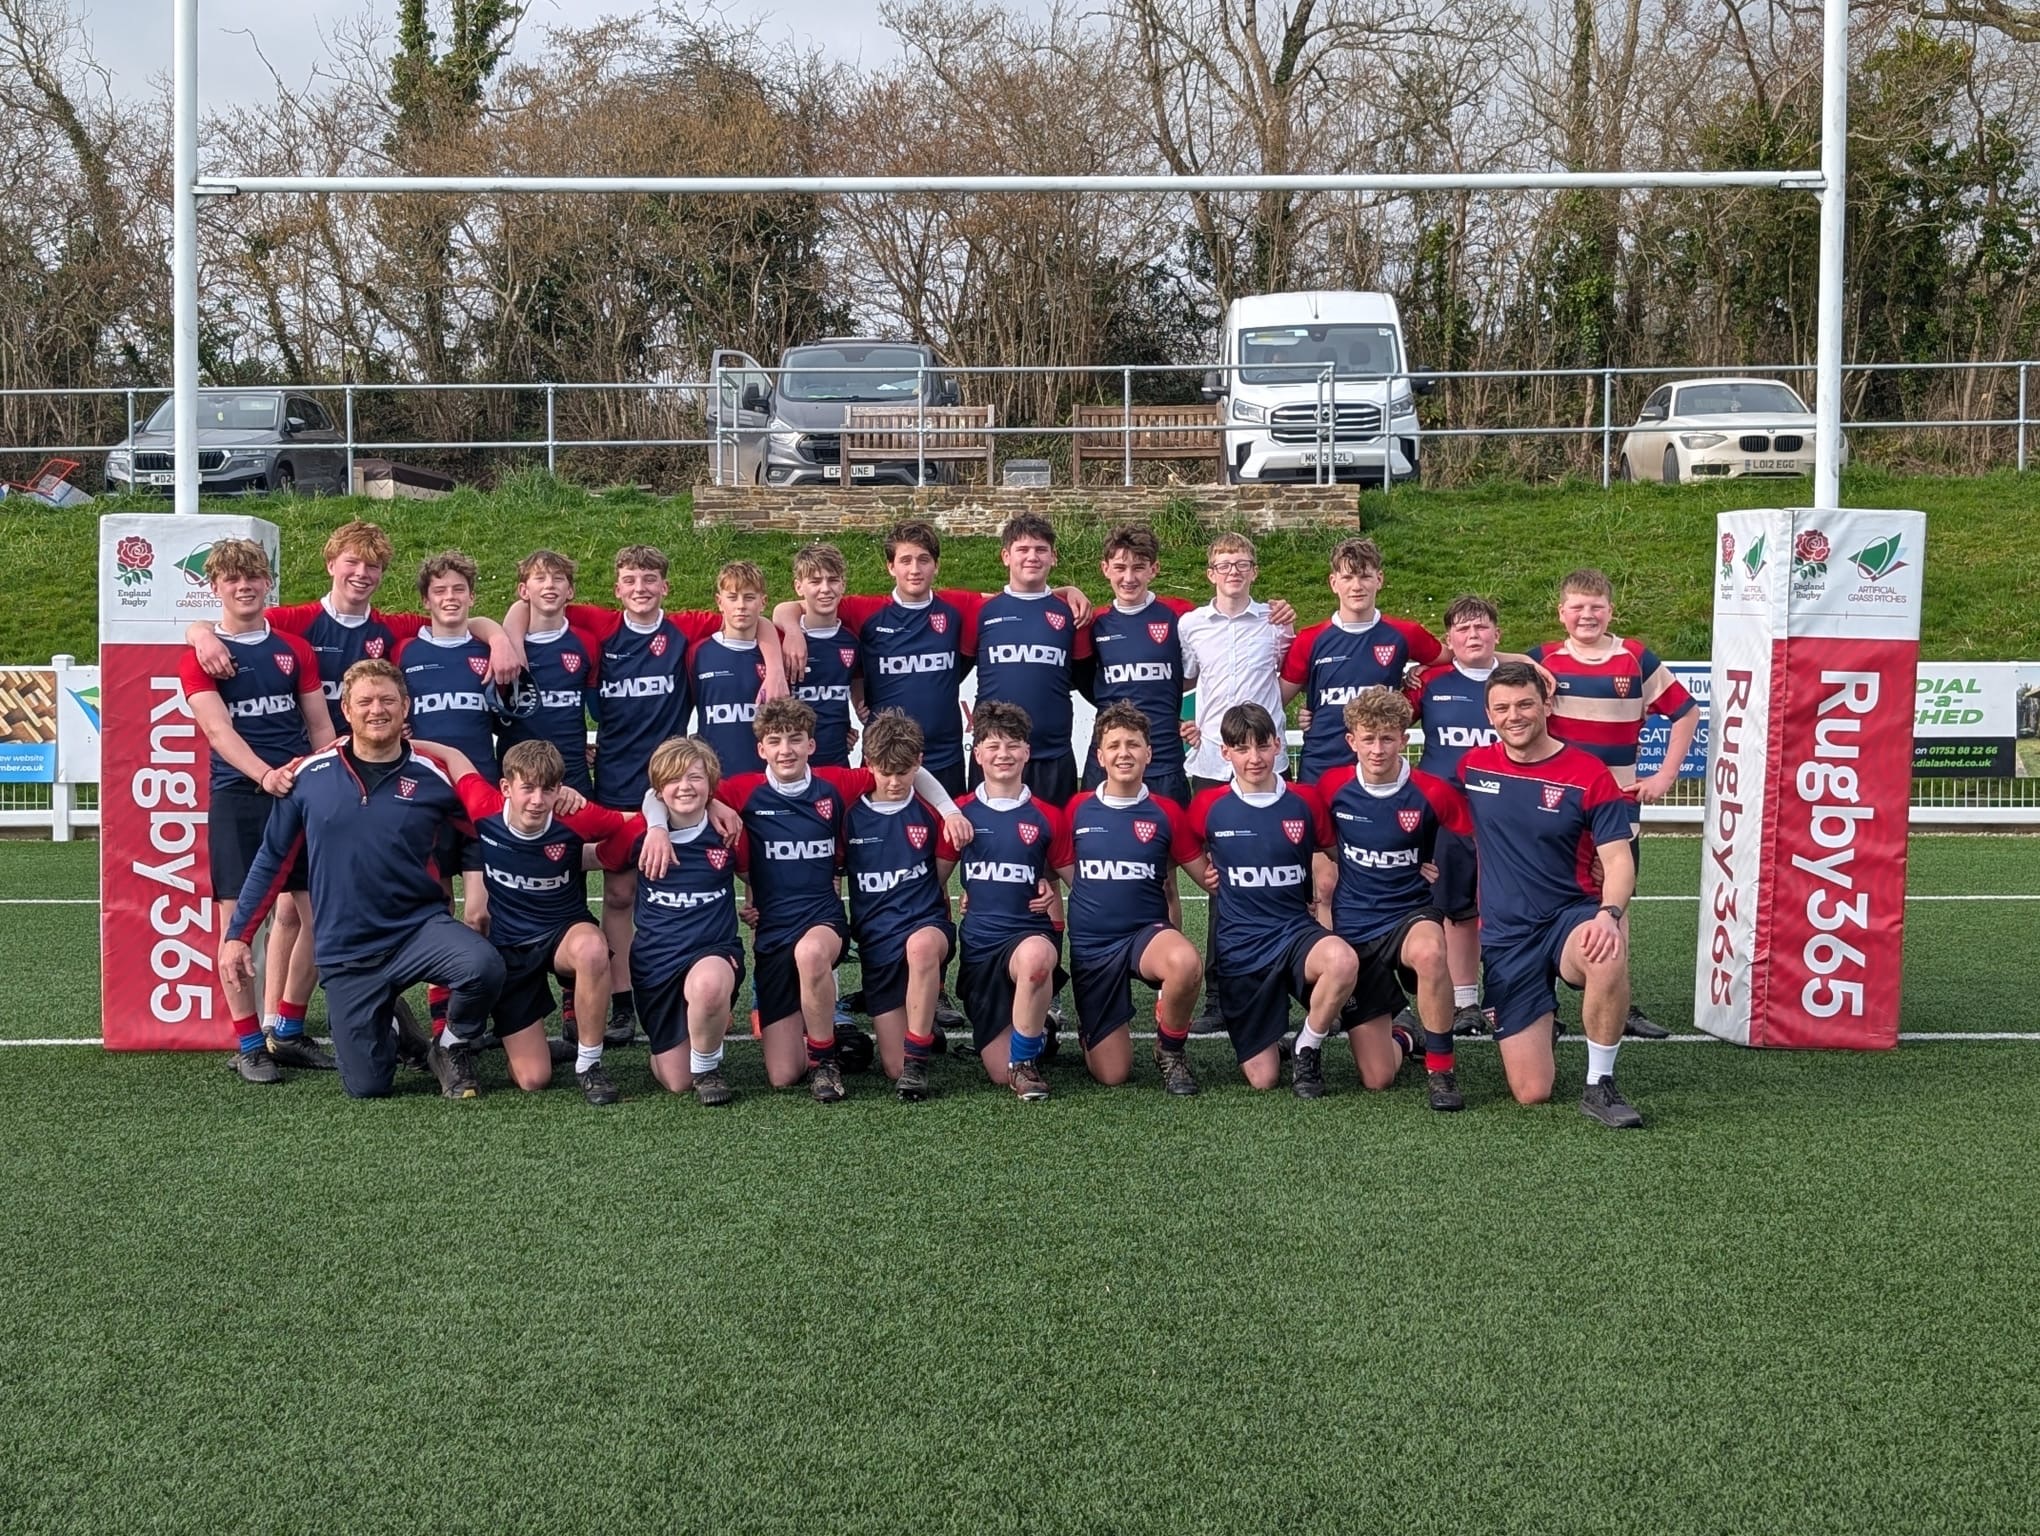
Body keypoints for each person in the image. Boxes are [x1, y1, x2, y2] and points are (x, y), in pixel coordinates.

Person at [184, 519, 519, 1037]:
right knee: (288, 913)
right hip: (304, 779)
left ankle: (322, 1018)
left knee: (333, 907)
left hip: (371, 778)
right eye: (352, 563)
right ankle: (271, 1028)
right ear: (331, 565)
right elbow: (235, 619)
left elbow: (454, 618)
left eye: (373, 566)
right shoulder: (296, 622)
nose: (361, 573)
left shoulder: (390, 631)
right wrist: (199, 632)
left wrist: (498, 636)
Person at [506, 543, 788, 1046]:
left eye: (650, 579)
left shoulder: (685, 629)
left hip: (679, 785)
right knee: (620, 893)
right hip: (617, 783)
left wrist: (777, 667)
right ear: (617, 588)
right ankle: (621, 1003)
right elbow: (527, 605)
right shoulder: (598, 628)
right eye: (631, 580)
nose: (641, 588)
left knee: (699, 885)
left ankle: (716, 988)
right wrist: (507, 639)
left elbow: (756, 617)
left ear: (665, 587)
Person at [638, 696, 970, 1102]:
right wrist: (659, 826)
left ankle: (825, 1062)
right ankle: (822, 1033)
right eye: (774, 741)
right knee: (782, 1075)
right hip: (773, 934)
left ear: (811, 744)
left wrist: (950, 810)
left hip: (823, 921)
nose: (786, 750)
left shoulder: (835, 783)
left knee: (812, 954)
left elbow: (903, 767)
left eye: (795, 739)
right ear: (761, 748)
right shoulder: (742, 791)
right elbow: (662, 792)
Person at [220, 659, 507, 1101]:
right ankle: (395, 1024)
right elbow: (272, 859)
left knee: (482, 966)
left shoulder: (434, 775)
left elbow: (494, 831)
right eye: (365, 701)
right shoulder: (305, 777)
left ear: (405, 707)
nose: (377, 710)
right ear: (346, 710)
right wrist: (238, 936)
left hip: (418, 929)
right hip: (347, 947)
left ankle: (449, 1046)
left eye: (388, 700)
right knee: (368, 1086)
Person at [1455, 662, 1643, 1128]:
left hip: (1569, 919)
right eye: (1501, 708)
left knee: (1606, 950)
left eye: (1524, 704)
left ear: (1546, 705)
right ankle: (1544, 1019)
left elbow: (1619, 861)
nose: (1513, 716)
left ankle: (1600, 1083)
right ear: (1488, 716)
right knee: (1532, 1091)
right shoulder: (1472, 767)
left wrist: (1609, 913)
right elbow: (1426, 810)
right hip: (1507, 936)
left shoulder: (1588, 773)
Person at [178, 537, 335, 1082]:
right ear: (215, 587)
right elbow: (218, 731)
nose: (244, 586)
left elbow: (319, 726)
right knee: (238, 926)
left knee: (322, 916)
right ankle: (248, 1044)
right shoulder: (199, 656)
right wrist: (264, 775)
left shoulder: (295, 649)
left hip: (298, 795)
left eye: (253, 577)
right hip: (240, 798)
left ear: (268, 583)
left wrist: (326, 779)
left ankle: (287, 1030)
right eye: (232, 579)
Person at [1528, 569, 1699, 1039]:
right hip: (1555, 805)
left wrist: (1665, 775)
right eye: (1577, 607)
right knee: (1544, 897)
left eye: (1596, 607)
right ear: (1561, 612)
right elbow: (1488, 663)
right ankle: (1540, 1003)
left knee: (1615, 902)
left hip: (1617, 806)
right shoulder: (1542, 659)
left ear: (1611, 611)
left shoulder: (1635, 658)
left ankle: (1619, 1001)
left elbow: (1687, 712)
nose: (1587, 615)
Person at [426, 738, 637, 1106]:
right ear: (506, 787)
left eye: (548, 789)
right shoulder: (484, 806)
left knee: (592, 949)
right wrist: (401, 741)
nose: (538, 800)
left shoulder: (576, 815)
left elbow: (636, 822)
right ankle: (527, 1044)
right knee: (533, 1079)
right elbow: (453, 756)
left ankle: (589, 1063)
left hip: (563, 934)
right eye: (528, 788)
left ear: (560, 789)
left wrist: (606, 854)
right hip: (510, 948)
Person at [1181, 703, 1362, 1095]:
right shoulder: (1208, 806)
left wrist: (1415, 865)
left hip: (1295, 933)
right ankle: (1271, 1037)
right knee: (1263, 1080)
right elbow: (1179, 847)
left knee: (1343, 960)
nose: (1254, 758)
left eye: (1262, 746)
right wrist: (1204, 875)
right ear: (1225, 752)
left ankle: (1307, 1046)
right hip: (1241, 947)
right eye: (1242, 748)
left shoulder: (1305, 801)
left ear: (1277, 745)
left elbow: (1345, 856)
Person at [1313, 689, 1474, 1110]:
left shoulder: (1433, 792)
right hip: (1354, 923)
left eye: (1387, 738)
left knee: (1430, 952)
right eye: (1368, 739)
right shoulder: (1332, 787)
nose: (1377, 749)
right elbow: (1311, 837)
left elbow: (1478, 838)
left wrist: (1438, 864)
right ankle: (1405, 1036)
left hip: (1409, 912)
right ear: (1351, 741)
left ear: (1404, 738)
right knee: (1377, 1077)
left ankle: (1441, 1070)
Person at [1054, 702, 1205, 1094]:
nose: (1124, 753)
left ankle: (1170, 1050)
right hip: (1094, 946)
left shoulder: (1167, 812)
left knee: (1186, 962)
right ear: (1100, 756)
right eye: (1115, 745)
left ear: (1148, 753)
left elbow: (1207, 876)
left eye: (1133, 744)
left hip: (1145, 934)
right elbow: (1049, 865)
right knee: (1113, 1074)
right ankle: (1091, 1027)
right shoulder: (1076, 809)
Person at [935, 700, 1066, 1102]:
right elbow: (933, 882)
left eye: (1012, 745)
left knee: (1037, 958)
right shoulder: (960, 814)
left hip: (1028, 935)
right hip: (981, 948)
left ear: (1027, 751)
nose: (1003, 754)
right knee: (996, 1072)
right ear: (977, 754)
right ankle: (1039, 1027)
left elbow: (1080, 882)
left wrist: (1051, 891)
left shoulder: (1048, 816)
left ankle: (1025, 1063)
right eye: (993, 746)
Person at [841, 711, 958, 1102]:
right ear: (869, 764)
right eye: (885, 772)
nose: (894, 782)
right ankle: (920, 1025)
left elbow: (941, 874)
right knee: (892, 1066)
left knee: (921, 947)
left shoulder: (933, 811)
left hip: (925, 928)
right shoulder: (849, 815)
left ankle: (917, 1065)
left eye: (904, 772)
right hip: (878, 946)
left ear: (919, 763)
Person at [1406, 595, 1505, 1037]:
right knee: (1457, 910)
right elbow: (1384, 719)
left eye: (1481, 627)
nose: (1473, 635)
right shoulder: (1428, 681)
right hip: (1447, 817)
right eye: (1463, 629)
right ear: (1449, 639)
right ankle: (1465, 1001)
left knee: (1508, 909)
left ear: (1497, 634)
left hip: (1506, 814)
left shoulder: (1521, 681)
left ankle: (1510, 996)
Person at [631, 736, 749, 1106]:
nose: (685, 787)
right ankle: (693, 1031)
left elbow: (758, 873)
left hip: (713, 951)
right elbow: (590, 855)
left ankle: (707, 1068)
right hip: (657, 963)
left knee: (710, 985)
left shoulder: (729, 830)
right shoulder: (637, 832)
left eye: (695, 777)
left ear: (711, 785)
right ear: (658, 788)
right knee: (676, 1082)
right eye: (674, 779)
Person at [1280, 537, 1442, 782]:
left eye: (1365, 576)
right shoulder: (1310, 639)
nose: (1356, 586)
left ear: (1379, 579)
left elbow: (1461, 659)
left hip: (1378, 766)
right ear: (1333, 583)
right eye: (1347, 577)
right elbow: (1275, 699)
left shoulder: (1405, 633)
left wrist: (1423, 669)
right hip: (1321, 765)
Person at [969, 513, 1091, 804]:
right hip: (995, 755)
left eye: (1041, 550)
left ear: (1053, 557)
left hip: (1053, 755)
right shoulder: (980, 610)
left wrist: (1069, 591)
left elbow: (1086, 679)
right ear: (1006, 556)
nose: (1032, 557)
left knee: (1056, 832)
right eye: (1022, 549)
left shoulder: (1072, 613)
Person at [499, 549, 599, 797]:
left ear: (570, 591)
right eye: (540, 578)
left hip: (573, 775)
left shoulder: (587, 643)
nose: (549, 585)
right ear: (524, 591)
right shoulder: (503, 648)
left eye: (558, 578)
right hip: (521, 780)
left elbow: (598, 711)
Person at [689, 560, 774, 778]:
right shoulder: (698, 653)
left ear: (763, 602)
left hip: (766, 778)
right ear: (719, 602)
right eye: (732, 597)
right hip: (715, 778)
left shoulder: (776, 651)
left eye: (749, 597)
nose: (741, 605)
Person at [786, 542, 863, 770]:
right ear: (799, 587)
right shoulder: (781, 640)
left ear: (843, 585)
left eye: (833, 580)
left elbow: (855, 692)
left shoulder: (852, 641)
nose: (825, 589)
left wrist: (849, 726)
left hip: (838, 763)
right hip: (791, 768)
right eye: (815, 581)